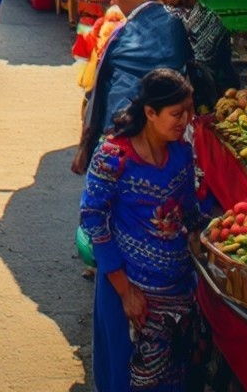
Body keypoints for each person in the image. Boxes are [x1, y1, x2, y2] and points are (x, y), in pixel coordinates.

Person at [80, 68, 201, 392]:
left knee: (174, 376)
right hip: (130, 290)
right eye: (177, 113)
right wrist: (124, 290)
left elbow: (189, 206)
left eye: (188, 111)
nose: (185, 120)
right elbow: (93, 217)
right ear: (150, 112)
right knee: (129, 377)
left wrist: (203, 234)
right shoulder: (113, 156)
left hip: (177, 289)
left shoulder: (180, 152)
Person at [76, 0, 194, 174]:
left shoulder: (121, 35)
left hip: (123, 120)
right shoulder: (173, 22)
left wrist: (87, 143)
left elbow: (100, 89)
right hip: (150, 119)